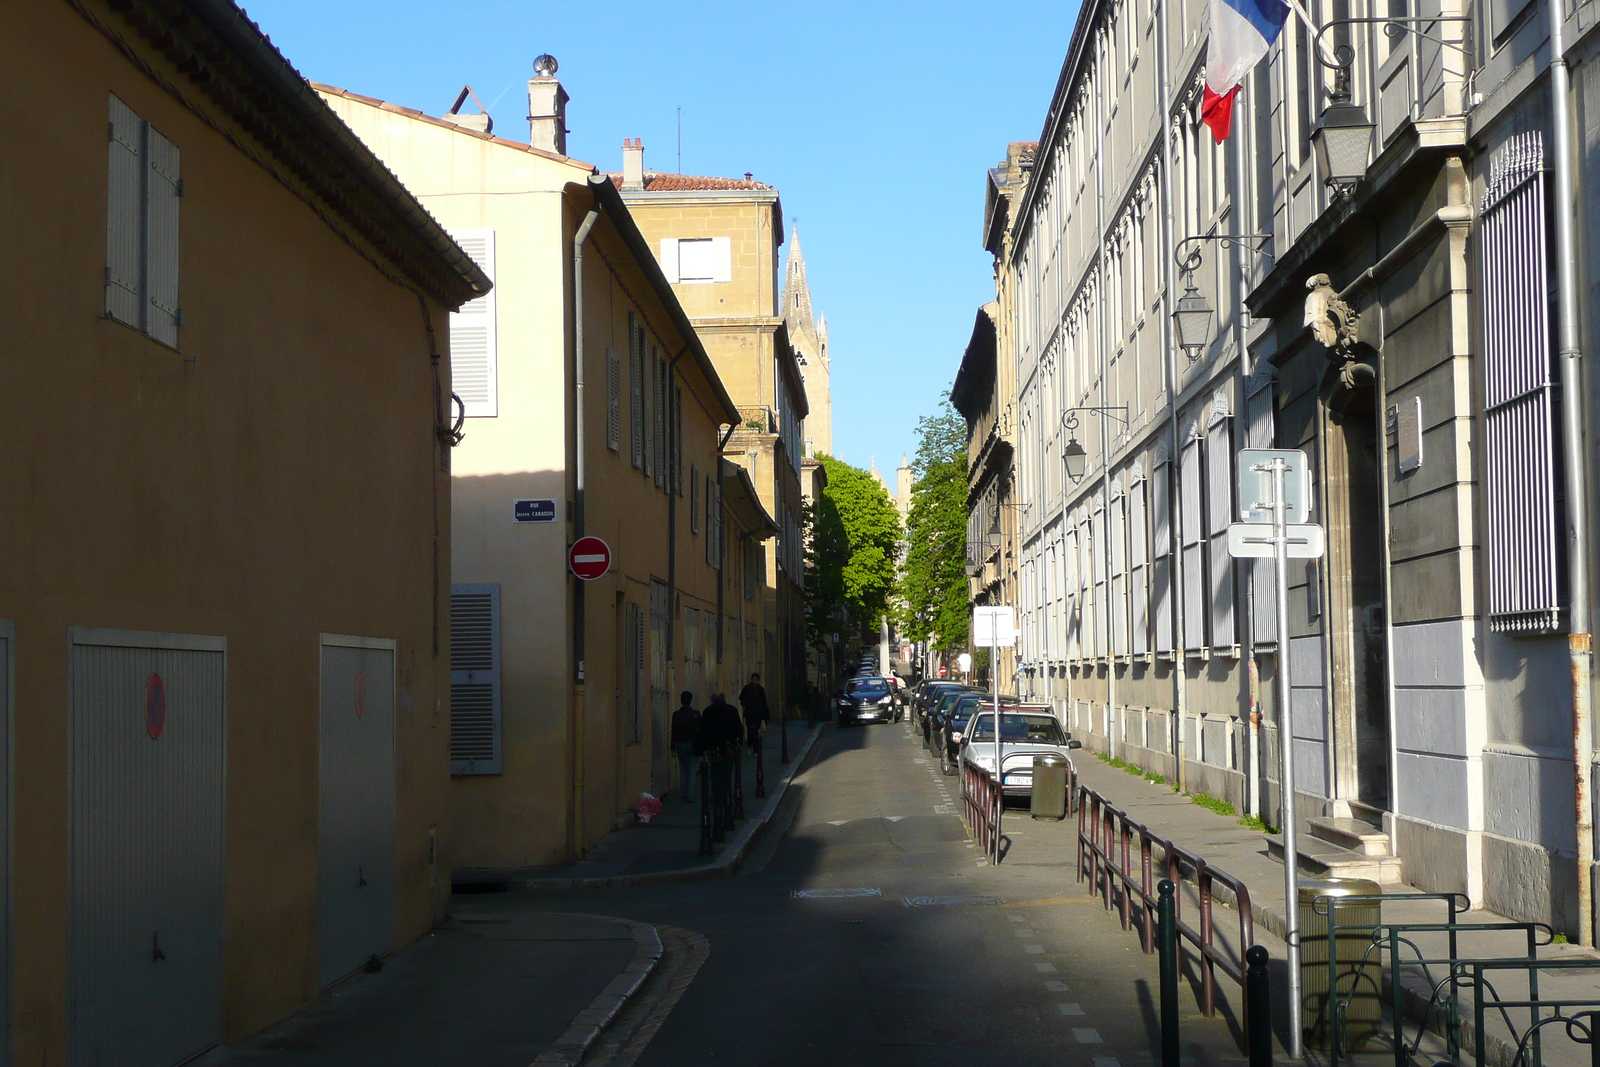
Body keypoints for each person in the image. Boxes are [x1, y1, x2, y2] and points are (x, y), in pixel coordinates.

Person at [670, 691, 701, 802]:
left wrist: (672, 747)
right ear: (690, 700)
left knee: (683, 769)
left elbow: (673, 731)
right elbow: (700, 731)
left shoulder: (676, 714)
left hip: (680, 744)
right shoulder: (696, 714)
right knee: (692, 770)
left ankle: (683, 792)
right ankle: (690, 795)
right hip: (692, 744)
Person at [738, 672, 770, 754]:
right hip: (749, 712)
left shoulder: (760, 689)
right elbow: (741, 697)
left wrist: (766, 714)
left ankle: (755, 747)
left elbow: (764, 702)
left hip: (758, 712)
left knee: (756, 729)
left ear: (758, 680)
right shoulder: (747, 688)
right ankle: (750, 744)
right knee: (749, 729)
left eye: (756, 679)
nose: (754, 681)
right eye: (753, 679)